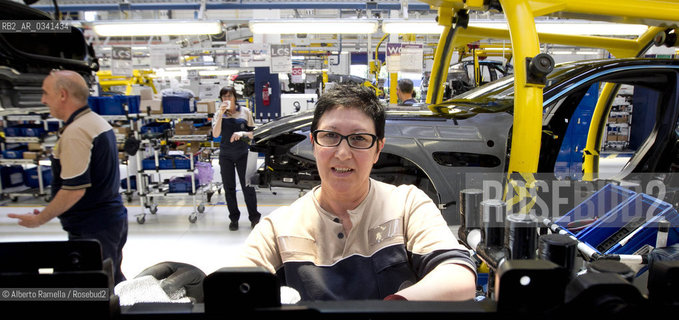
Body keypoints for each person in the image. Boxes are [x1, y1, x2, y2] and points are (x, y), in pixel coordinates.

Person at [235, 84, 476, 301]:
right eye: (330, 136)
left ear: (378, 149)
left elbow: (458, 276)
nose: (342, 153)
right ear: (313, 144)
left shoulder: (407, 205)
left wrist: (393, 308)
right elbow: (232, 287)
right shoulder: (279, 228)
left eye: (359, 139)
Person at [8, 69, 128, 284]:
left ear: (62, 95)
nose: (43, 99)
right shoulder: (95, 121)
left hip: (93, 228)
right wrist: (52, 207)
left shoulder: (77, 132)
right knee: (110, 282)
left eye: (46, 93)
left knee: (90, 290)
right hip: (109, 221)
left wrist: (39, 219)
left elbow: (75, 189)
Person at [212, 86, 261, 231]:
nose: (227, 99)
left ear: (235, 97)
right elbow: (215, 134)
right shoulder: (218, 113)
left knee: (248, 187)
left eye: (229, 96)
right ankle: (234, 218)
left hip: (242, 154)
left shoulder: (245, 112)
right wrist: (220, 114)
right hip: (225, 154)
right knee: (229, 188)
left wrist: (243, 133)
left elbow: (254, 133)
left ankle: (254, 218)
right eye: (224, 97)